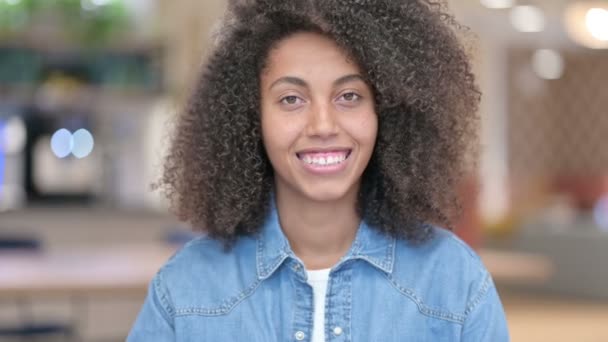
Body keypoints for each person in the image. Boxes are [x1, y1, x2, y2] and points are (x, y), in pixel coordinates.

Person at [128, 0, 509, 340]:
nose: (323, 125)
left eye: (349, 96)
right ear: (249, 118)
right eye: (291, 99)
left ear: (387, 112)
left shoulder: (455, 283)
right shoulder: (185, 288)